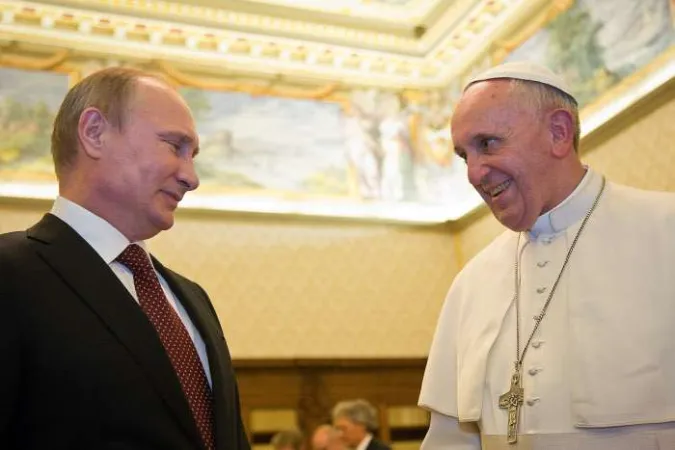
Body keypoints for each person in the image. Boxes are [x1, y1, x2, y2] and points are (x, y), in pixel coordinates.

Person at [418, 60, 675, 448]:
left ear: (558, 132)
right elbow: (449, 441)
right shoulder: (471, 282)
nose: (472, 174)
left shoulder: (665, 230)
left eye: (487, 144)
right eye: (463, 156)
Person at [0, 67, 250, 449]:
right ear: (95, 133)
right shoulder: (10, 274)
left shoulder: (193, 298)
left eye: (194, 155)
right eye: (174, 146)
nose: (192, 176)